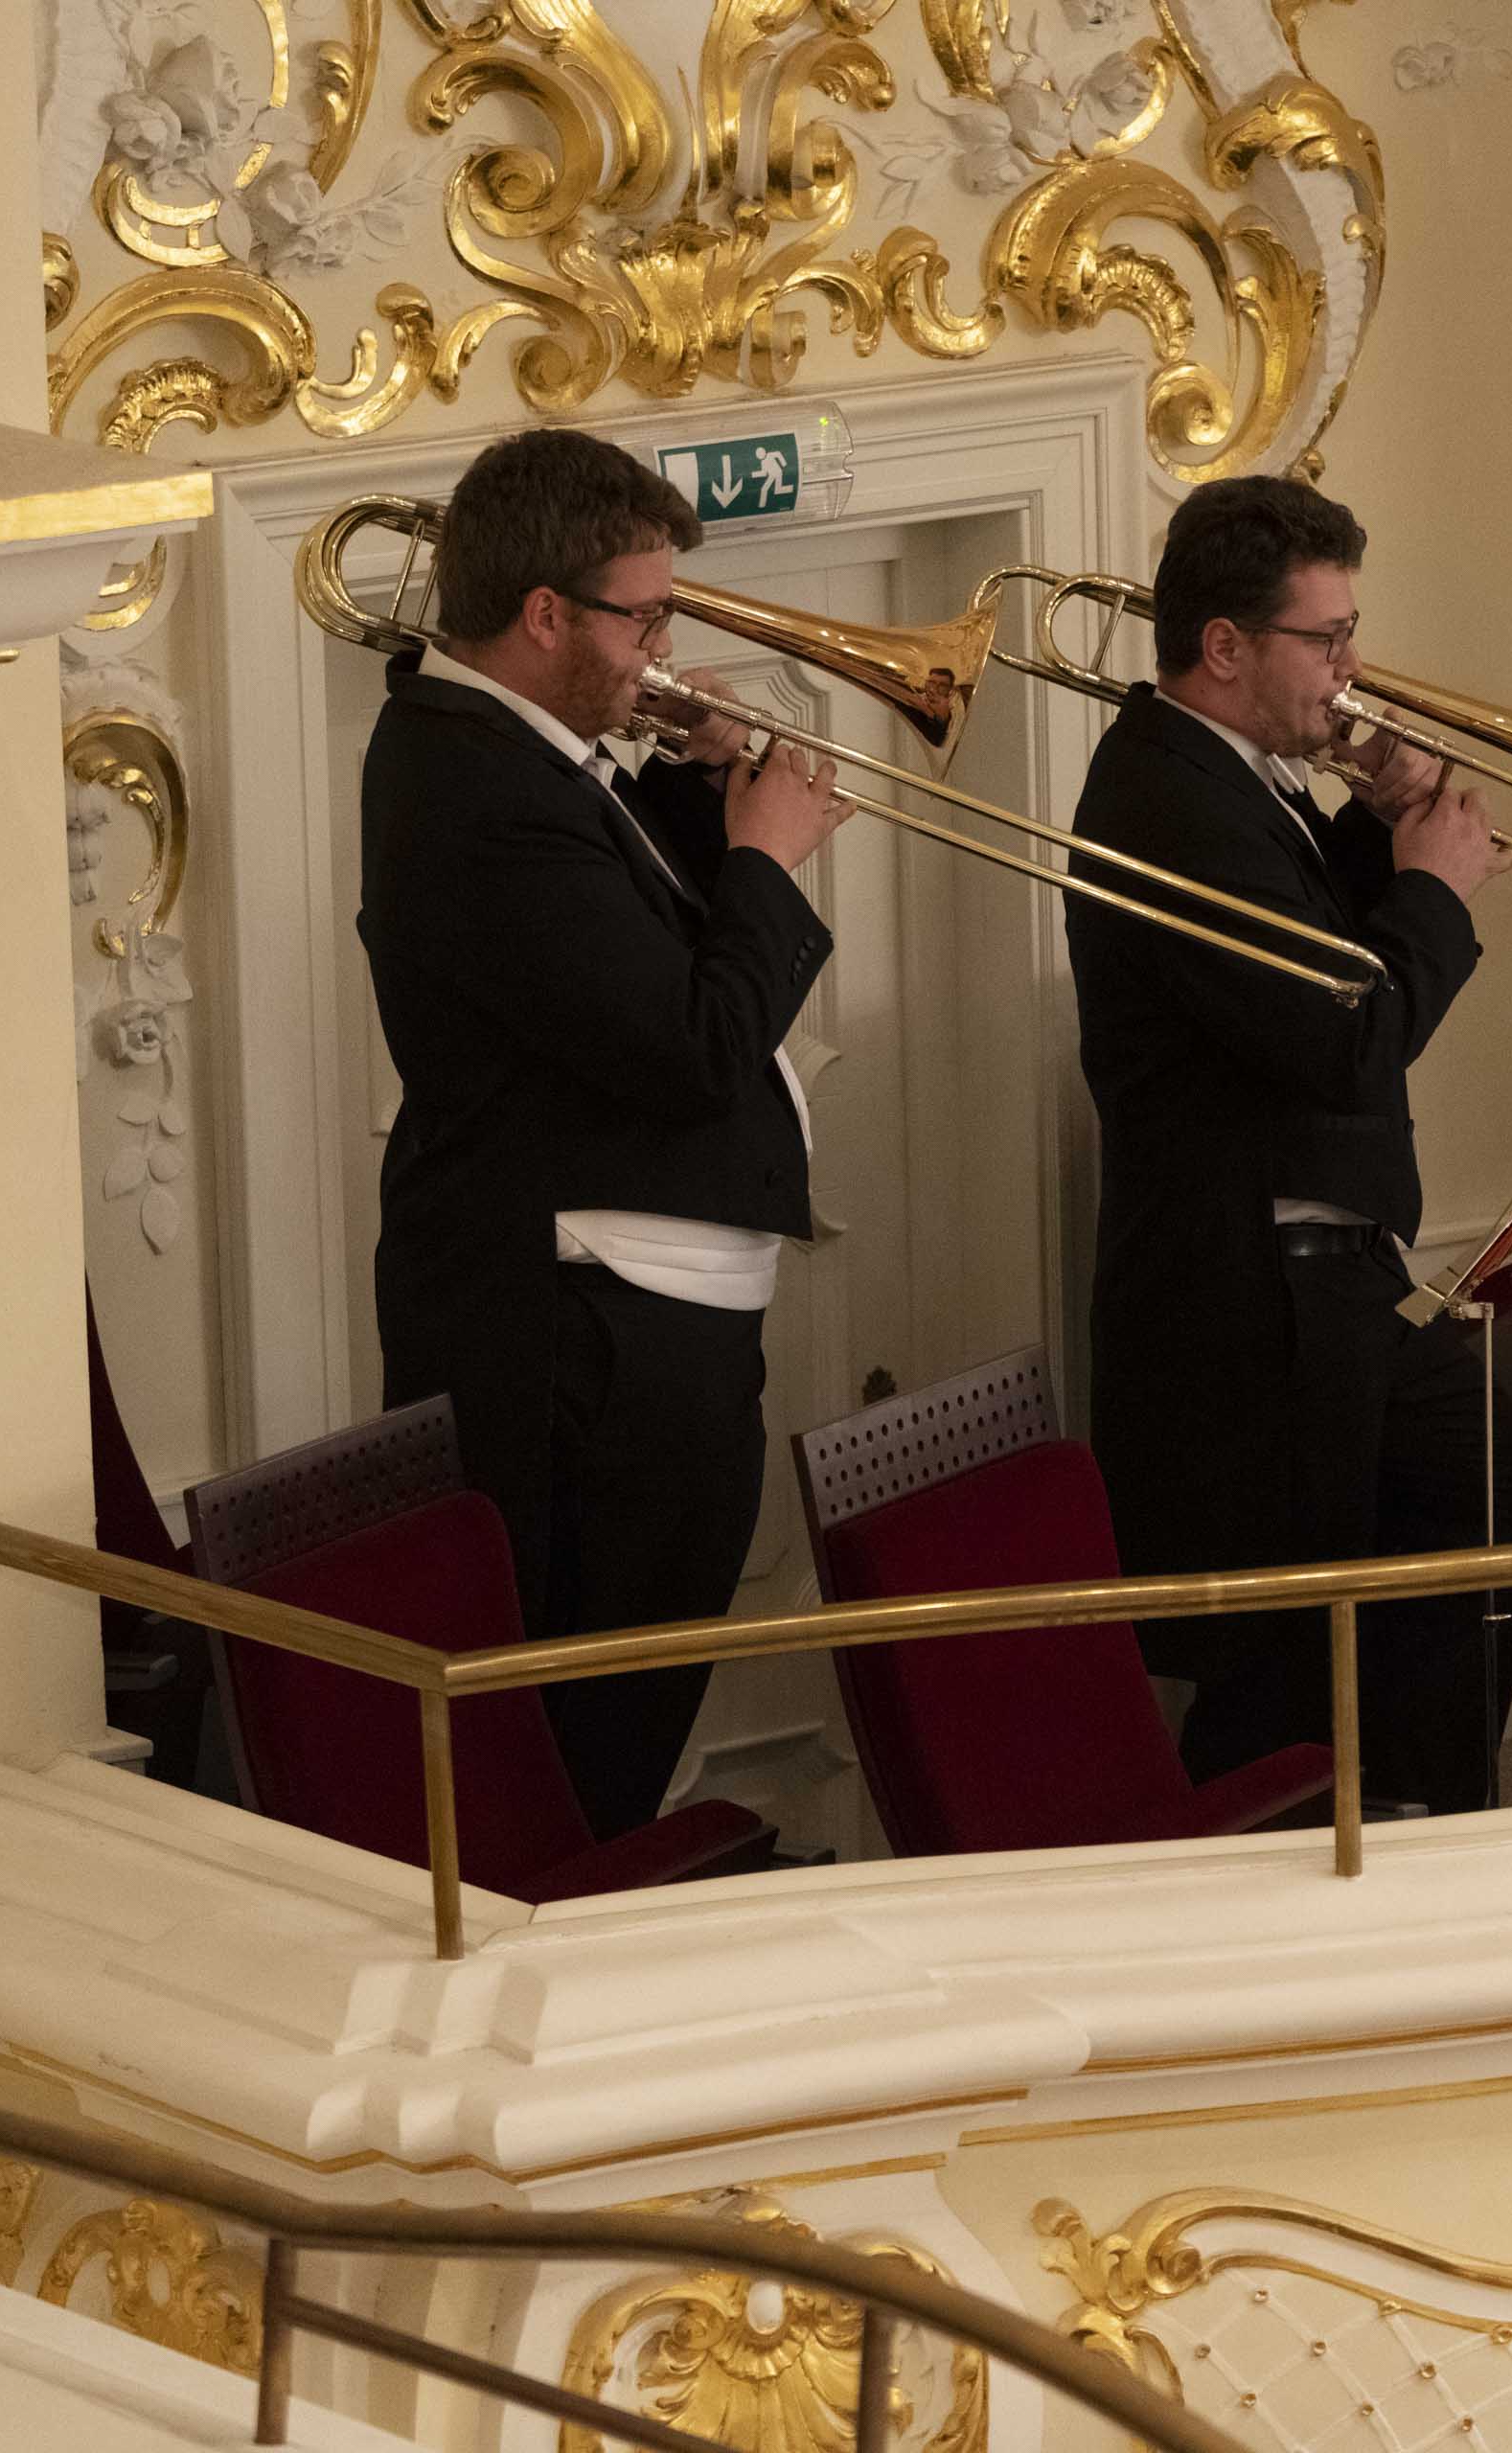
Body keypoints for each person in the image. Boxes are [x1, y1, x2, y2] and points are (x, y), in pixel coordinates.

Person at [355, 427, 848, 1842]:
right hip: (584, 1357)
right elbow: (691, 1049)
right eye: (644, 616)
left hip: (636, 1341)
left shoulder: (533, 762)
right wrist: (765, 854)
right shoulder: (476, 782)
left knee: (623, 1741)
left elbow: (644, 958)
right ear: (544, 615)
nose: (664, 647)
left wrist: (701, 794)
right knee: (588, 1765)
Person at [1065, 474, 1512, 1814]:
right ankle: (1328, 1841)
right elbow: (1344, 1035)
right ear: (1224, 647)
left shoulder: (1233, 782)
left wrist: (1382, 829)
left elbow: (1314, 946)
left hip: (1328, 1280)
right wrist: (1436, 889)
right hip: (1249, 1308)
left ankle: (1424, 1819)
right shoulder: (1164, 798)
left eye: (1349, 633)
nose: (1350, 669)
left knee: (1487, 1495)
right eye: (1324, 638)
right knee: (1281, 1663)